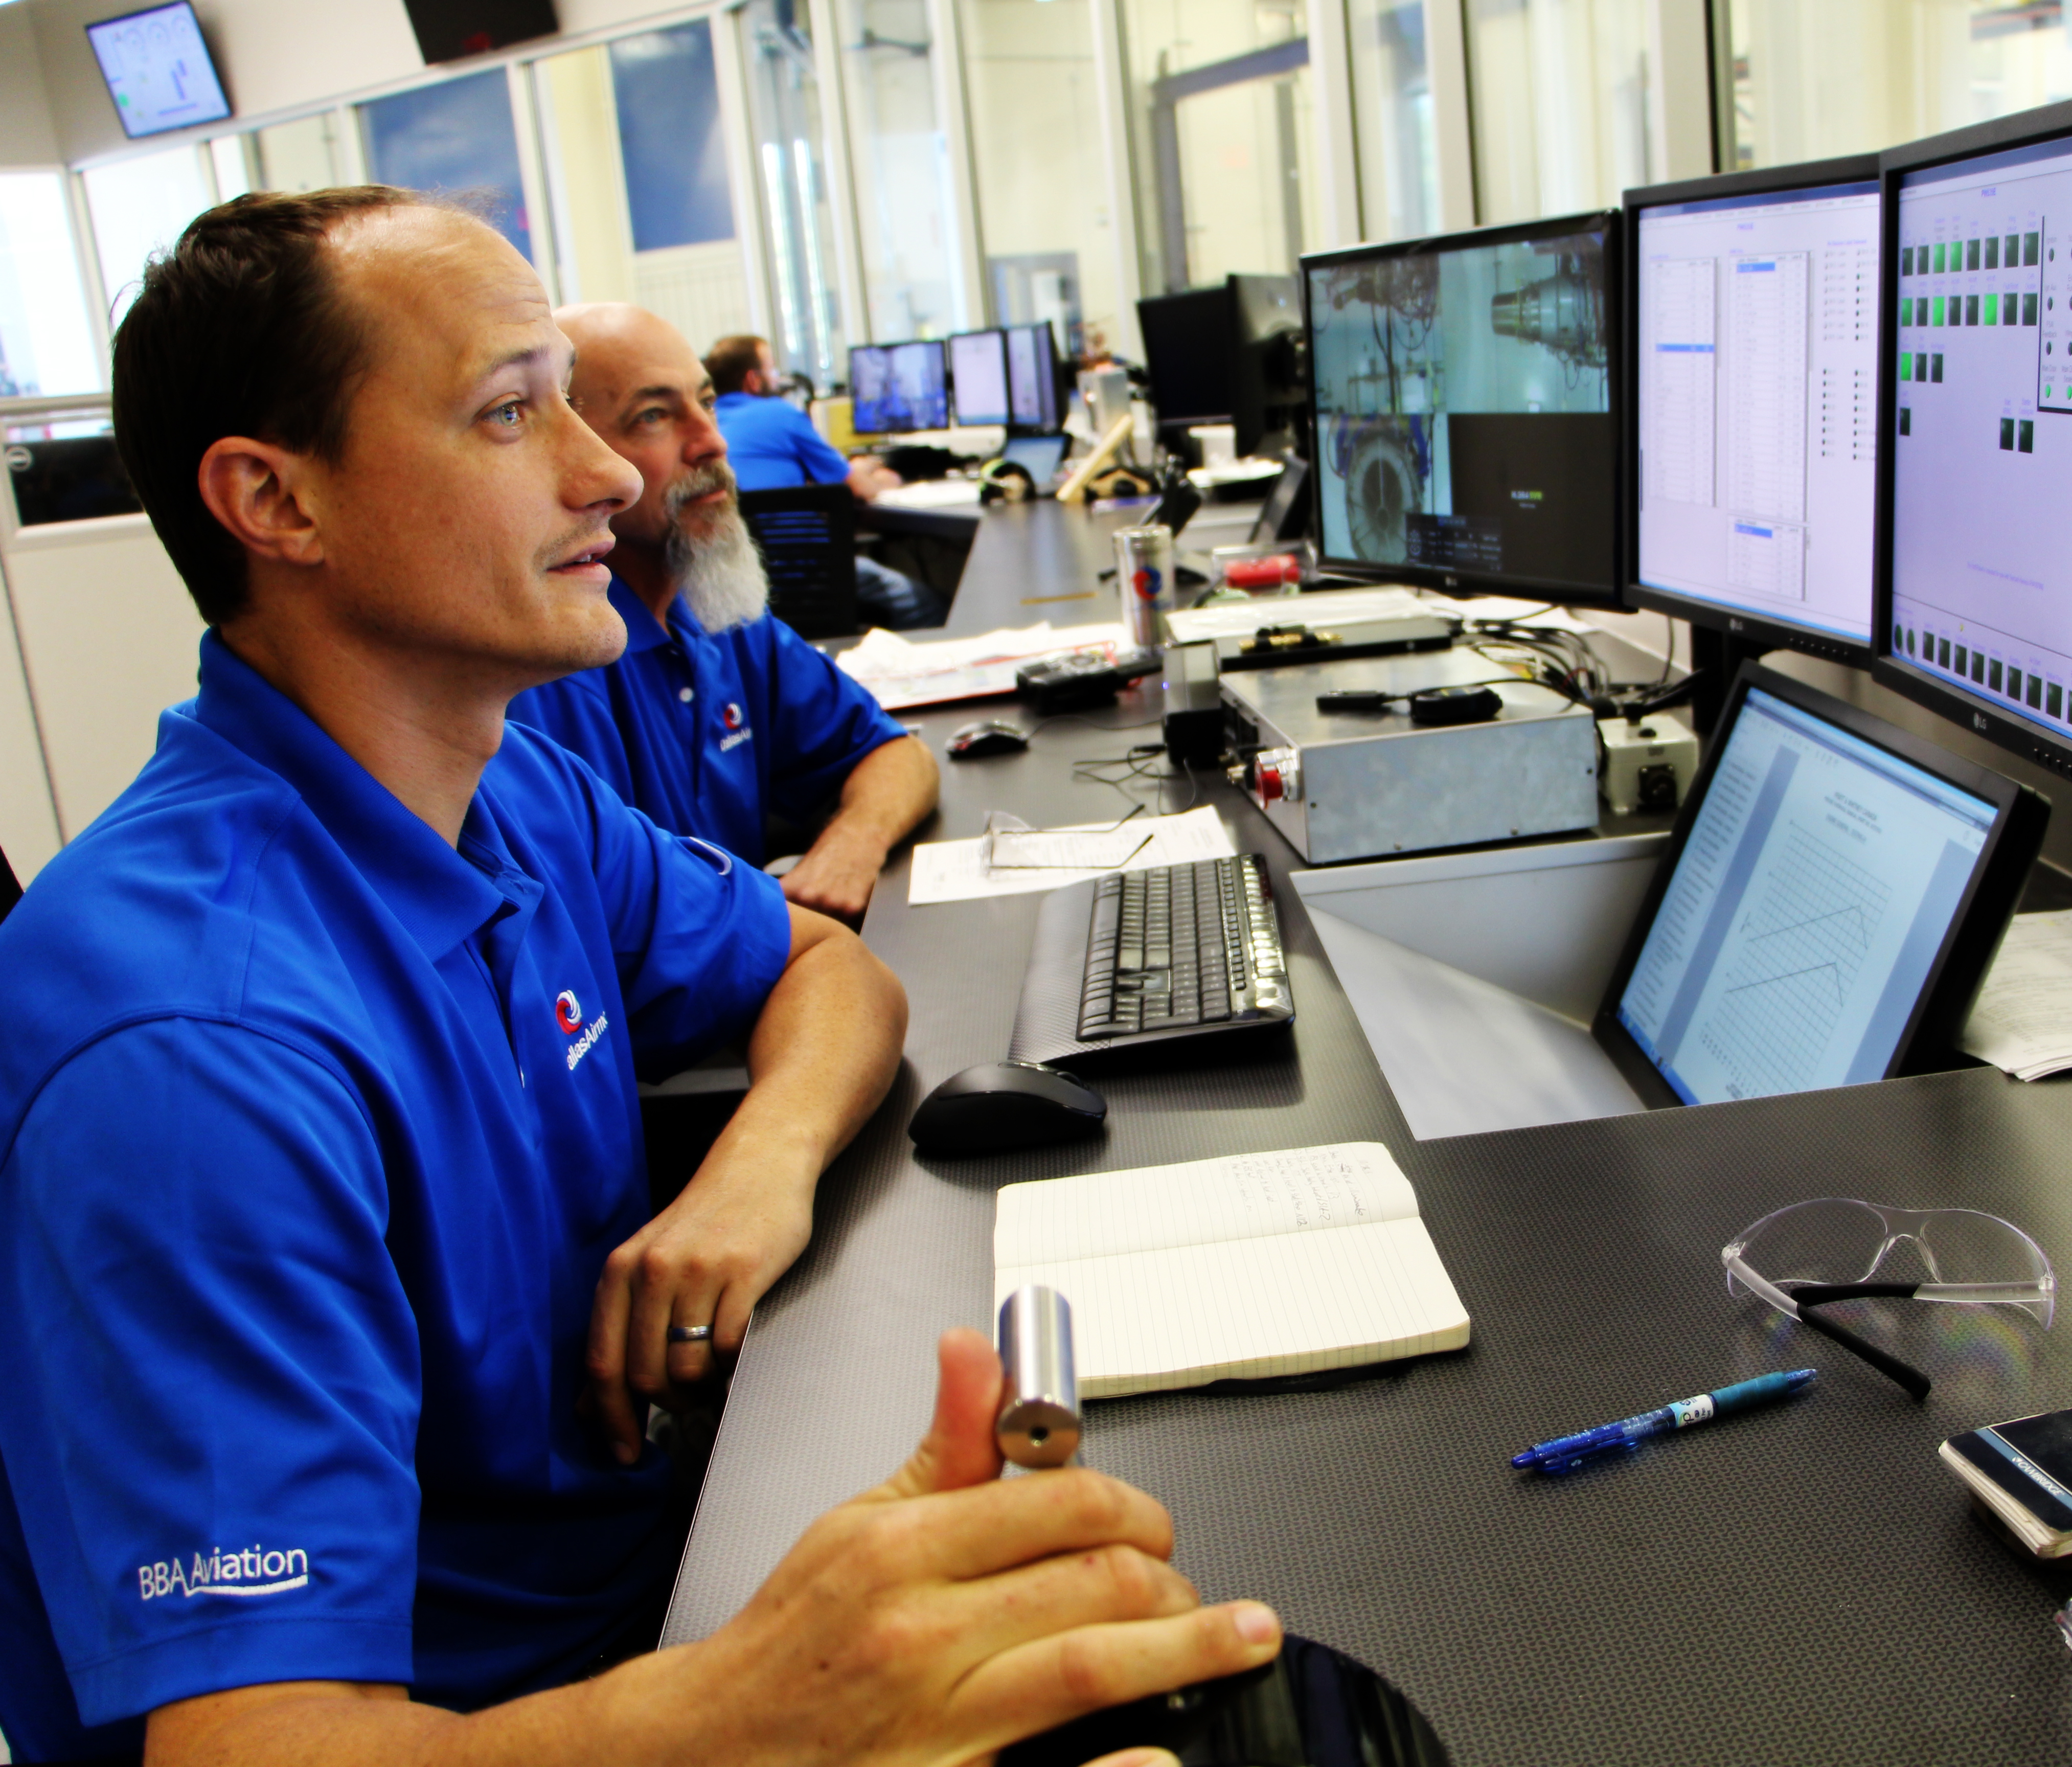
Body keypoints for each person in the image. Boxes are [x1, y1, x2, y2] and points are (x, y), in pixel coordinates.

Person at [0, 186, 1279, 1766]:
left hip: (659, 1594)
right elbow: (254, 1749)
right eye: (507, 415)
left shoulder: (506, 794)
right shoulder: (191, 1049)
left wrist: (757, 1172)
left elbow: (827, 972)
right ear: (276, 502)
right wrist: (768, 1706)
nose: (608, 473)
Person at [507, 305, 937, 924]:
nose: (711, 440)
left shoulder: (718, 612)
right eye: (653, 416)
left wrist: (853, 843)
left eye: (706, 403)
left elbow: (898, 757)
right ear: (572, 457)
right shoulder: (552, 681)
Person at [702, 333, 941, 629]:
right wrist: (886, 479)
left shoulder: (707, 425)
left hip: (742, 583)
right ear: (753, 379)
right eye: (772, 369)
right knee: (924, 603)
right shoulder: (780, 414)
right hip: (807, 572)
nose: (778, 378)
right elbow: (861, 489)